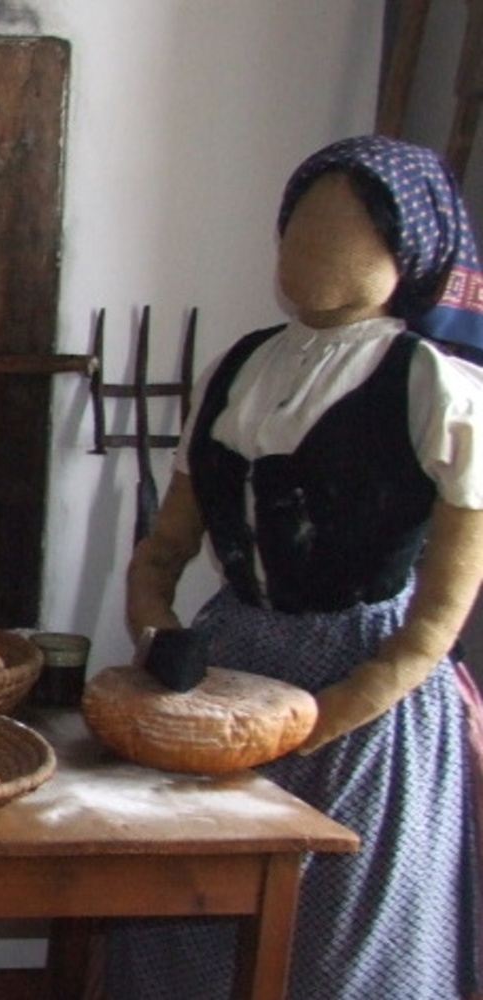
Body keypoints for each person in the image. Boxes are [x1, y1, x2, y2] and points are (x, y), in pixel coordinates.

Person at [110, 135, 483, 998]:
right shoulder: (237, 368)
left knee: (333, 940)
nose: (316, 249)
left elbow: (440, 612)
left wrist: (338, 708)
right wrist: (162, 640)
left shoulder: (437, 386)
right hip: (225, 671)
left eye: (349, 228)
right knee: (182, 906)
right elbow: (165, 549)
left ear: (407, 250)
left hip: (363, 688)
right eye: (304, 224)